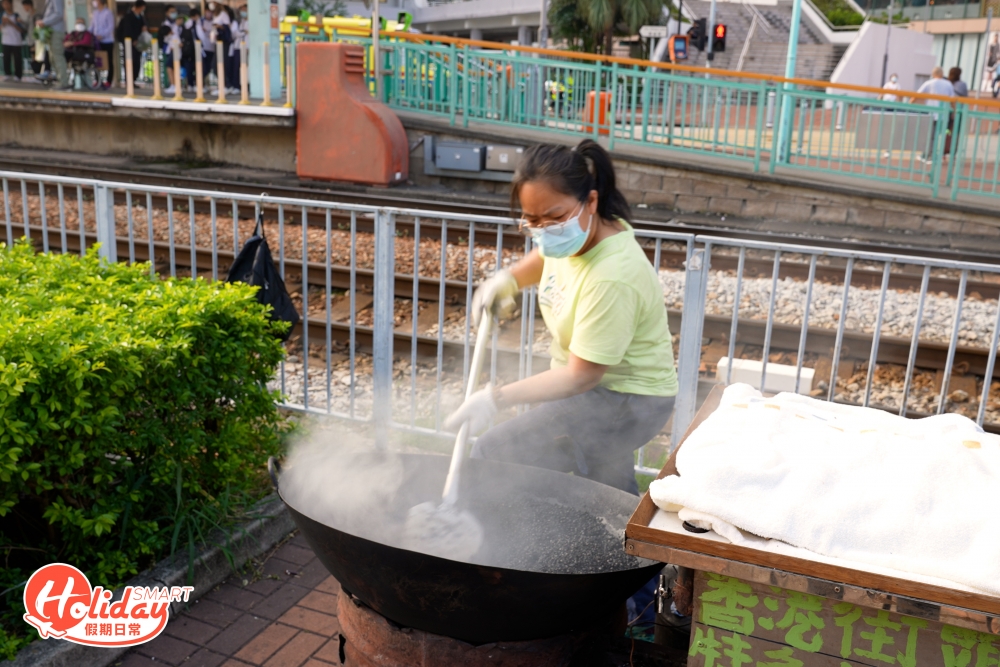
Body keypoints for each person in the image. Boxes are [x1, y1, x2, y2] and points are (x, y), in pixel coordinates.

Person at [447, 139, 678, 497]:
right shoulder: (576, 234)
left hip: (625, 399)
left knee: (496, 453)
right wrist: (509, 280)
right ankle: (626, 544)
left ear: (592, 202)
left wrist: (495, 398)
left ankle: (499, 541)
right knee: (604, 482)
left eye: (554, 218)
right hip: (606, 390)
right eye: (533, 221)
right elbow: (546, 255)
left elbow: (580, 376)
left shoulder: (612, 276)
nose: (545, 231)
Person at [914, 67, 955, 162]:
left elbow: (917, 95)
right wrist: (954, 111)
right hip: (943, 114)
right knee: (939, 135)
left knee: (929, 135)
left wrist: (910, 103)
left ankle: (929, 155)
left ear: (933, 74)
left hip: (931, 113)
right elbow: (953, 100)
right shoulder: (948, 84)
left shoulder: (929, 83)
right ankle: (933, 154)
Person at [36, 0, 68, 87]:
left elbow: (59, 14)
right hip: (51, 32)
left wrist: (44, 22)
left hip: (56, 32)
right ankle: (59, 81)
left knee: (57, 57)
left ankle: (63, 82)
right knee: (52, 58)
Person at [115, 0, 147, 83]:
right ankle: (128, 80)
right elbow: (126, 30)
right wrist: (132, 40)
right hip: (129, 43)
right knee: (129, 61)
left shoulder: (141, 17)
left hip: (138, 43)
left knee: (137, 62)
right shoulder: (128, 17)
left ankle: (133, 79)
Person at [89, 0, 114, 87]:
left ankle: (108, 81)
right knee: (97, 61)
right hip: (96, 41)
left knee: (109, 61)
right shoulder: (95, 13)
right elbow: (92, 26)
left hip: (107, 41)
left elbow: (111, 26)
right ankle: (97, 80)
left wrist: (102, 35)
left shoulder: (108, 13)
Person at [1, 0, 26, 80]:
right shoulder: (2, 15)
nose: (5, 5)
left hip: (16, 40)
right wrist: (4, 23)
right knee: (6, 58)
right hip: (6, 40)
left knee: (17, 58)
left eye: (7, 3)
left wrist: (11, 22)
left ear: (11, 4)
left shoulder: (16, 15)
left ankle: (18, 75)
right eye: (4, 4)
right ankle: (7, 73)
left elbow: (22, 29)